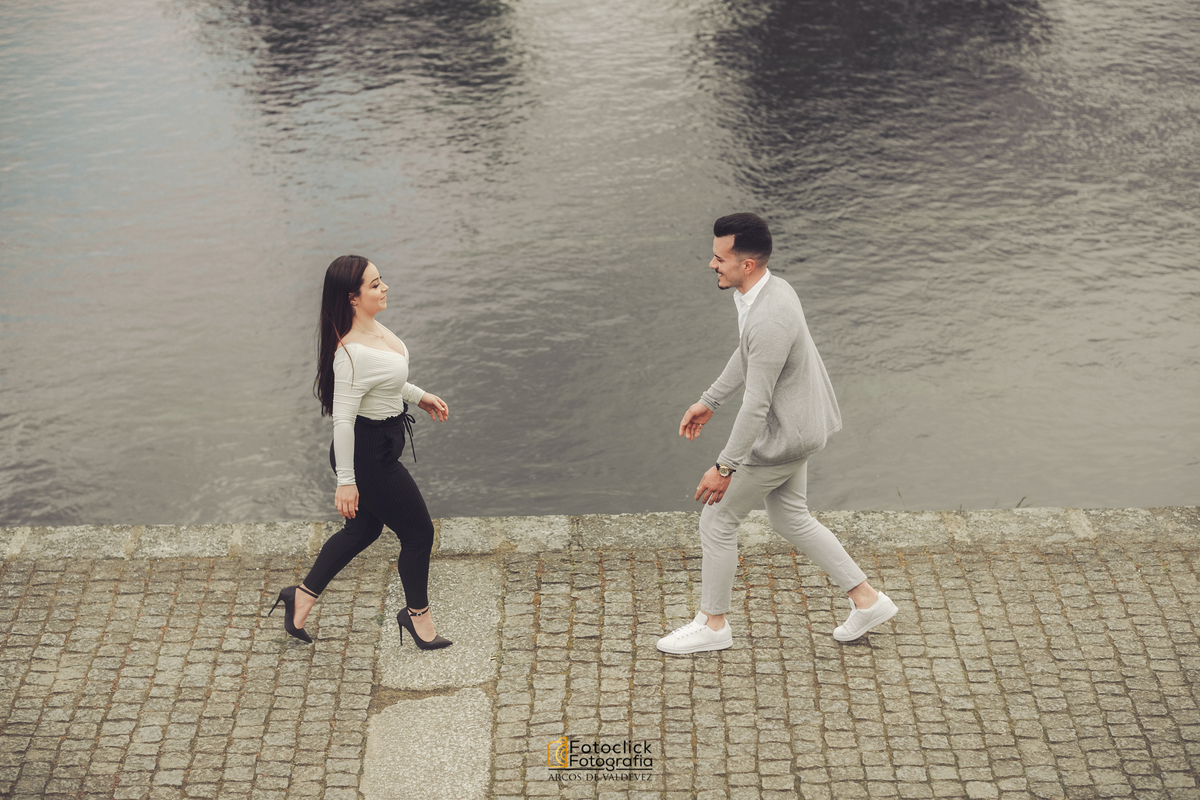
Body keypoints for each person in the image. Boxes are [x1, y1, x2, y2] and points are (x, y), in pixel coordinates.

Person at [656, 213, 897, 655]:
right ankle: (867, 600)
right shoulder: (772, 289)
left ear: (746, 264)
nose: (712, 264)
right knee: (790, 517)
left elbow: (757, 405)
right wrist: (710, 400)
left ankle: (713, 624)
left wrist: (724, 468)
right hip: (804, 425)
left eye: (719, 258)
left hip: (784, 436)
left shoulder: (769, 317)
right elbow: (748, 352)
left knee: (717, 521)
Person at [269, 254, 452, 649]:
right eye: (374, 284)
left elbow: (386, 378)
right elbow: (342, 420)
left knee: (363, 530)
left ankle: (301, 597)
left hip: (379, 446)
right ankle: (418, 618)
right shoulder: (351, 354)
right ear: (352, 298)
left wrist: (418, 396)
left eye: (381, 280)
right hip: (367, 456)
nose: (384, 287)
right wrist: (346, 482)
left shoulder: (374, 330)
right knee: (419, 533)